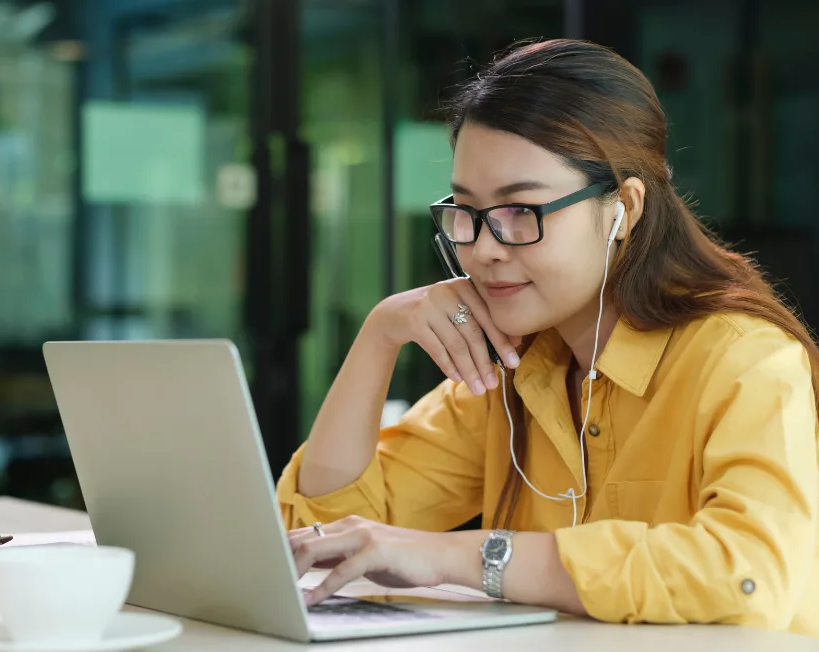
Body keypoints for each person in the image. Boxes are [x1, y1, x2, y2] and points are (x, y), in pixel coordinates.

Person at [275, 38, 819, 636]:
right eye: (466, 212)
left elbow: (749, 577)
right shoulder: (510, 369)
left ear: (624, 211)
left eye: (520, 212)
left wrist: (465, 557)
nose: (482, 248)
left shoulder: (745, 361)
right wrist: (378, 337)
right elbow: (320, 536)